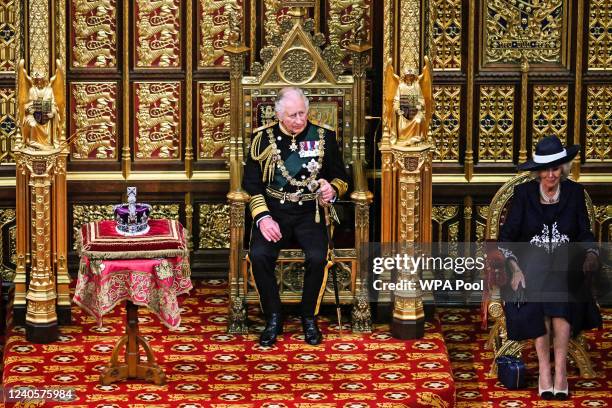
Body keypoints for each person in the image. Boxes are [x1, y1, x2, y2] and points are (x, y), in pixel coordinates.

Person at [498, 135, 602, 400]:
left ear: (562, 169)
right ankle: (546, 370)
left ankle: (561, 373)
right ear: (537, 172)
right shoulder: (523, 195)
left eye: (555, 168)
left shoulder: (575, 194)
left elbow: (584, 233)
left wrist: (590, 253)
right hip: (530, 268)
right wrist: (514, 267)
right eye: (545, 169)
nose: (550, 175)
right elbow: (507, 237)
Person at [243, 87, 348, 346]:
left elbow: (343, 177)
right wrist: (263, 218)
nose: (299, 120)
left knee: (316, 256)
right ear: (279, 114)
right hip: (274, 211)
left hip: (310, 212)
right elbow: (251, 183)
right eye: (292, 115)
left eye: (303, 113)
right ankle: (274, 317)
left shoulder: (324, 136)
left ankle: (308, 317)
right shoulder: (262, 140)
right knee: (259, 255)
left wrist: (331, 189)